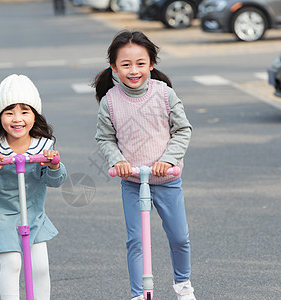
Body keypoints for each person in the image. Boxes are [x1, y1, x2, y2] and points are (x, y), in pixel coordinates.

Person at [93, 30, 196, 300]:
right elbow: (105, 138)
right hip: (133, 182)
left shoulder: (164, 94)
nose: (133, 70)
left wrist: (168, 160)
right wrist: (118, 161)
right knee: (136, 241)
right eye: (125, 64)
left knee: (179, 237)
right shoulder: (110, 102)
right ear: (114, 67)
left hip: (167, 180)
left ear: (151, 63)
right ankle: (139, 294)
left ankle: (183, 285)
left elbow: (182, 130)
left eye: (140, 63)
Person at [0, 74, 67, 300]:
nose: (17, 119)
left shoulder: (44, 145)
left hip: (33, 213)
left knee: (40, 267)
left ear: (35, 115)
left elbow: (56, 181)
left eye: (25, 111)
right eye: (9, 112)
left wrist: (53, 164)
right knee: (12, 263)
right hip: (0, 213)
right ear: (0, 116)